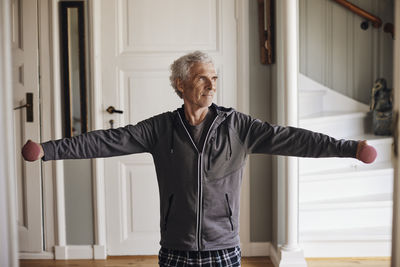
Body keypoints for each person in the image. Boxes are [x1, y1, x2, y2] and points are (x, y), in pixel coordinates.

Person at [22, 51, 376, 267]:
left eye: (214, 78)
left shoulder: (239, 127)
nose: (211, 85)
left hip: (223, 247)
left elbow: (293, 138)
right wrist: (49, 150)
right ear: (180, 85)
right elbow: (107, 140)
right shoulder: (160, 129)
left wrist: (349, 148)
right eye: (201, 79)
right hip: (176, 248)